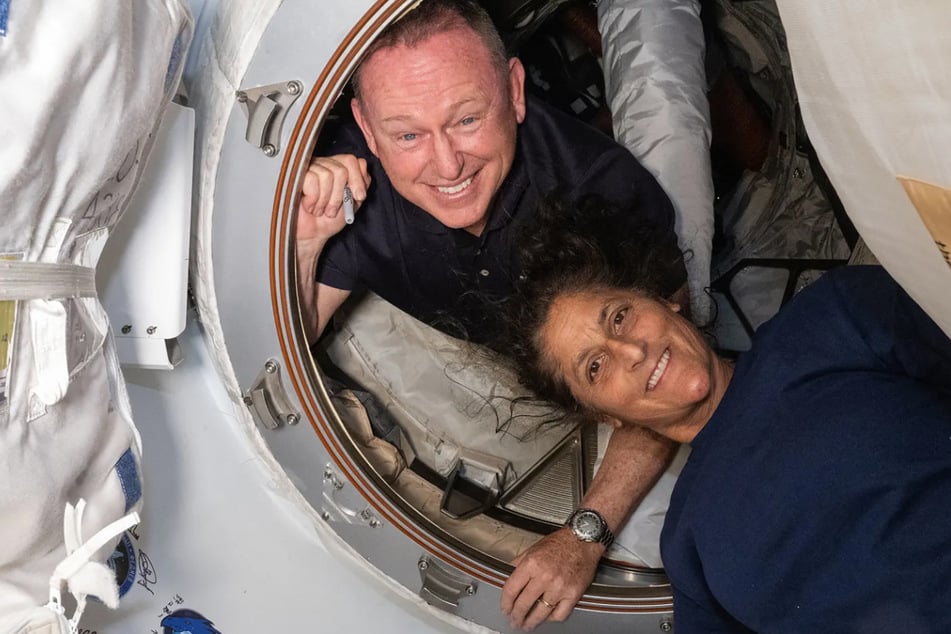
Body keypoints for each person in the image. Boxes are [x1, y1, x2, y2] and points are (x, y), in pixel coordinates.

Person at [296, 0, 689, 624]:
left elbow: (670, 376)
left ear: (513, 90)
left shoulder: (605, 194)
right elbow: (294, 337)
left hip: (594, 357)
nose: (447, 164)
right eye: (407, 135)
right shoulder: (354, 189)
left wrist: (585, 534)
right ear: (367, 132)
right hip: (490, 355)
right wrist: (310, 239)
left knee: (670, 119)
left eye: (468, 119)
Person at [496, 193, 951, 631]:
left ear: (664, 299)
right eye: (595, 367)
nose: (630, 350)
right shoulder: (686, 547)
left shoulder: (831, 319)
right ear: (605, 415)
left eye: (619, 317)